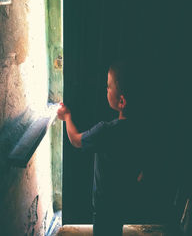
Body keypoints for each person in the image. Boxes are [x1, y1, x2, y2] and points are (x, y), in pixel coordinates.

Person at [57, 60, 143, 236]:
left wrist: (67, 117)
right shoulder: (140, 128)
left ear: (121, 101)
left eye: (108, 86)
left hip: (105, 206)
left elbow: (75, 140)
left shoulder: (106, 132)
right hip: (124, 199)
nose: (106, 89)